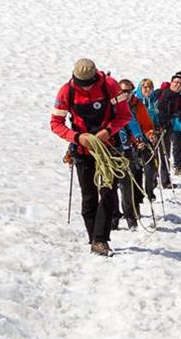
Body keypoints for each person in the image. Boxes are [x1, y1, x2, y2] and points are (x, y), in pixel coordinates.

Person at [49, 58, 131, 255]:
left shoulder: (110, 85)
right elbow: (56, 123)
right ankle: (93, 237)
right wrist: (77, 137)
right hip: (82, 150)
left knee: (108, 193)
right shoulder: (66, 91)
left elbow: (124, 115)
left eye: (89, 83)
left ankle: (100, 239)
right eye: (81, 84)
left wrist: (107, 132)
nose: (85, 87)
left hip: (108, 148)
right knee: (89, 196)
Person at [116, 78, 158, 228]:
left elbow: (143, 124)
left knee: (130, 182)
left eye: (129, 91)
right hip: (114, 147)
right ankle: (116, 216)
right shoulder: (112, 105)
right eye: (123, 91)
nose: (126, 94)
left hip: (134, 147)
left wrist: (147, 135)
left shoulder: (137, 105)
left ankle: (132, 213)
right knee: (115, 185)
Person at [152, 73, 181, 180]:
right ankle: (153, 180)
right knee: (154, 155)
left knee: (165, 154)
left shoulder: (179, 99)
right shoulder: (160, 93)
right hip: (153, 127)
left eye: (180, 83)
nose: (177, 85)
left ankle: (165, 180)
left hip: (166, 128)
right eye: (175, 82)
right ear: (171, 82)